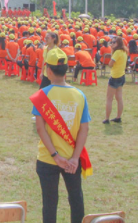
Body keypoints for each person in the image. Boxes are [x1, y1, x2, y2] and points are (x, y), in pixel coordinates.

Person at [30, 48, 91, 223]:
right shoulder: (80, 95)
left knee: (49, 203)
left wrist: (55, 156)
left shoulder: (42, 95)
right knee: (76, 200)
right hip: (72, 159)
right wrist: (74, 158)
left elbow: (40, 129)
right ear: (67, 69)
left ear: (48, 70)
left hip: (47, 158)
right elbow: (84, 129)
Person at [104, 36, 127, 124]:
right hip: (121, 75)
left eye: (114, 42)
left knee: (109, 98)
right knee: (119, 98)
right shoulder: (124, 51)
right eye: (111, 42)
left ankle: (107, 118)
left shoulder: (117, 52)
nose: (112, 44)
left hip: (115, 76)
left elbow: (110, 64)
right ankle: (118, 117)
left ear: (118, 44)